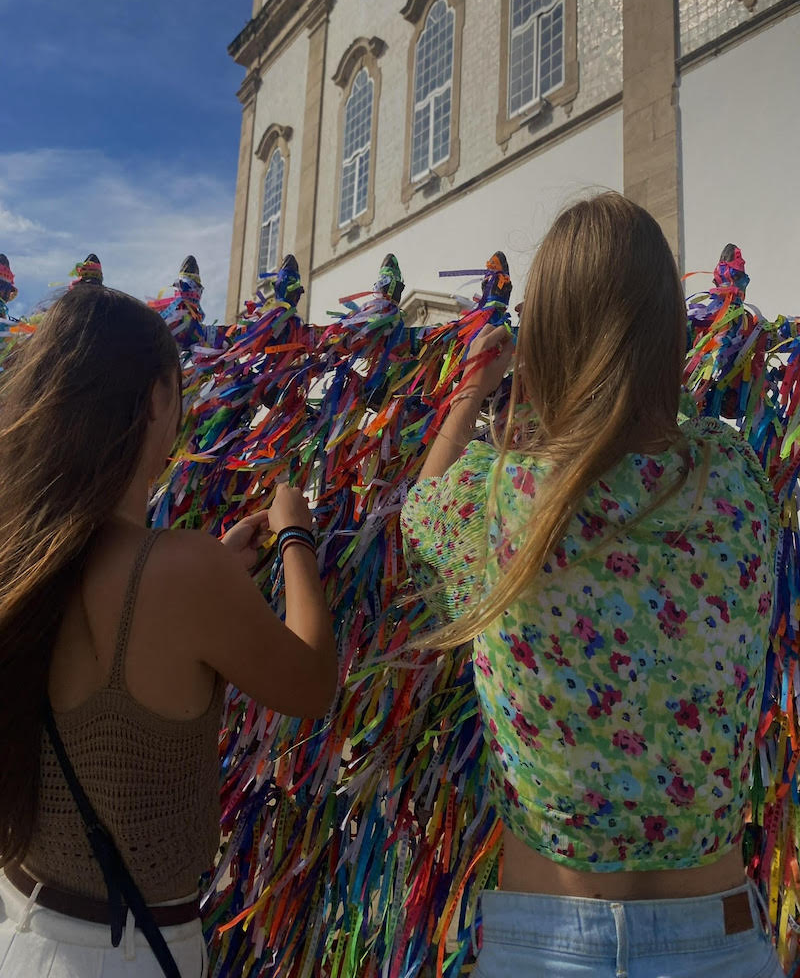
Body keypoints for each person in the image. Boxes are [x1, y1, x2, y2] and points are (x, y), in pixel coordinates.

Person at [401, 193, 781, 978]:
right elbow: (678, 432)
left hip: (543, 946)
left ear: (546, 337)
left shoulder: (493, 502)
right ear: (671, 332)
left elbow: (418, 513)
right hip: (722, 942)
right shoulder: (737, 480)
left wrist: (476, 385)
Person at [0, 281, 337, 976]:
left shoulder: (18, 548)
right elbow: (311, 682)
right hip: (125, 952)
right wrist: (296, 535)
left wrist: (214, 576)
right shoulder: (184, 570)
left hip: (19, 927)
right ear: (155, 399)